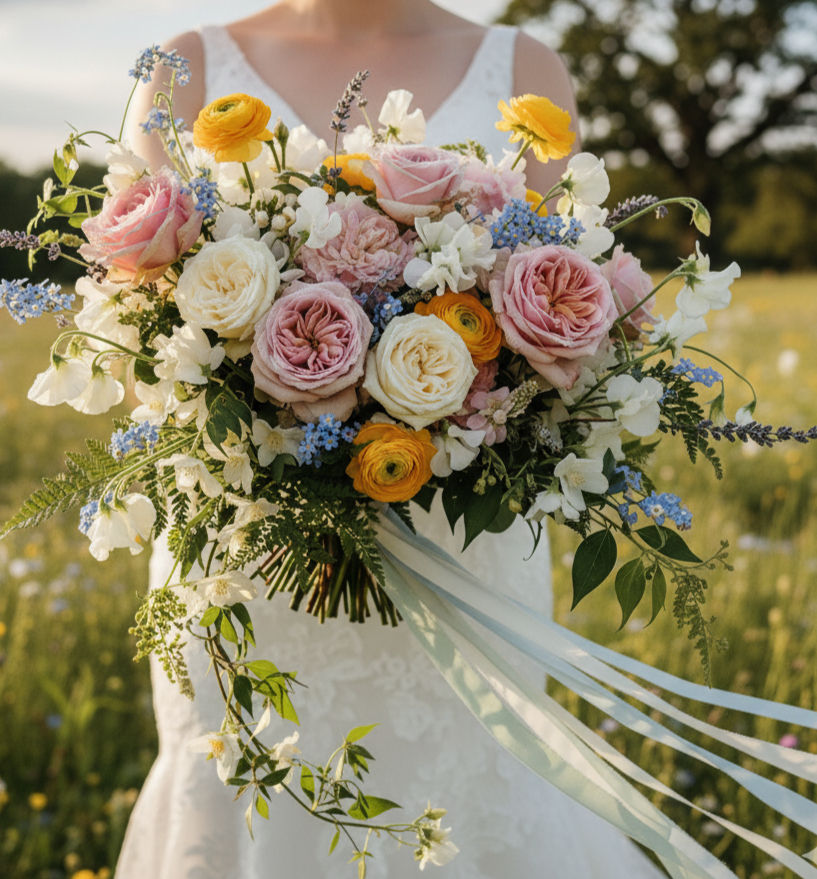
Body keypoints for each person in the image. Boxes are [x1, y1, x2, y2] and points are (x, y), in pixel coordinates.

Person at [116, 2, 665, 876]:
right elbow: (146, 318)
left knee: (470, 797)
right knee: (248, 791)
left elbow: (553, 292)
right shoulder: (183, 69)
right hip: (249, 548)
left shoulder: (524, 67)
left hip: (461, 537)